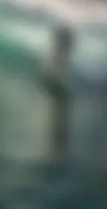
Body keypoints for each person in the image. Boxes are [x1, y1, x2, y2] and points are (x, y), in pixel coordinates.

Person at [41, 23, 75, 161]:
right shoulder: (59, 52)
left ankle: (57, 151)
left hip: (55, 85)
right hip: (55, 85)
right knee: (60, 118)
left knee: (60, 119)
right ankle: (56, 152)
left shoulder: (60, 52)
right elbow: (51, 71)